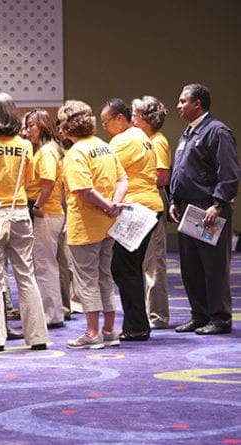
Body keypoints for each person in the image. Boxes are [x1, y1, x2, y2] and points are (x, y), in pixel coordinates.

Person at [0, 92, 50, 352]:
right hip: (19, 212)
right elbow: (26, 181)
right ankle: (37, 337)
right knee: (26, 275)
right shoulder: (25, 145)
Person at [170, 83, 240, 335]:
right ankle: (199, 316)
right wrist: (174, 201)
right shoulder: (188, 133)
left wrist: (218, 204)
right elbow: (180, 171)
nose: (178, 106)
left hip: (208, 208)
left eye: (182, 101)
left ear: (197, 104)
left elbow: (229, 172)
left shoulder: (217, 131)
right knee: (191, 266)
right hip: (188, 208)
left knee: (213, 267)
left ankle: (219, 319)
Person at [59, 100, 128, 350]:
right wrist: (114, 204)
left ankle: (92, 333)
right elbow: (123, 178)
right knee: (105, 277)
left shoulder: (75, 153)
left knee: (86, 280)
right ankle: (110, 331)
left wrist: (106, 205)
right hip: (108, 225)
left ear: (67, 127)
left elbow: (85, 190)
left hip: (85, 225)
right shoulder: (104, 147)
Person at [101, 98, 163, 341]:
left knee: (124, 267)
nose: (104, 126)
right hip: (150, 205)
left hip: (136, 207)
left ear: (120, 118)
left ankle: (137, 326)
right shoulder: (141, 136)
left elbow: (105, 169)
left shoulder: (124, 140)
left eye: (107, 121)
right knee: (130, 267)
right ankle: (137, 323)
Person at [22, 109, 65, 329]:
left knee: (44, 264)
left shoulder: (47, 151)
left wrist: (37, 206)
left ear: (43, 126)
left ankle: (51, 314)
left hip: (46, 212)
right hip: (48, 211)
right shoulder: (44, 150)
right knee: (44, 264)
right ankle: (51, 311)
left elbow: (47, 182)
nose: (27, 130)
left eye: (31, 125)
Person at [131, 96, 171, 329]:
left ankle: (157, 315)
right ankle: (149, 312)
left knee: (154, 261)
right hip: (144, 203)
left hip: (153, 201)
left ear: (146, 119)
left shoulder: (157, 142)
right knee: (144, 260)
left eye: (135, 116)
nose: (132, 120)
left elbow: (162, 176)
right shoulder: (145, 140)